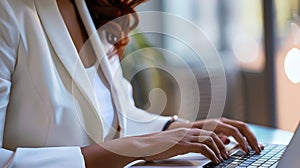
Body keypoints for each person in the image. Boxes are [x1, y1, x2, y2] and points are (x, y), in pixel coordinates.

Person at [0, 0, 262, 167]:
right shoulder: (9, 12)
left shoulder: (88, 8)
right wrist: (138, 147)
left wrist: (176, 128)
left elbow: (116, 117)